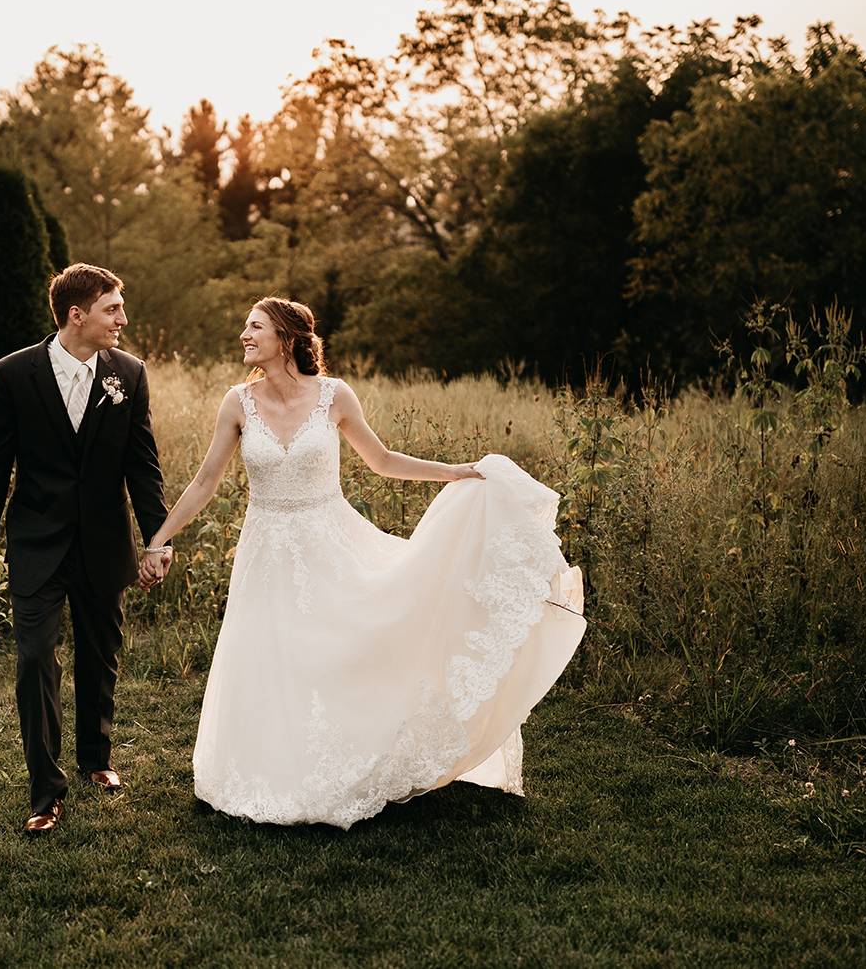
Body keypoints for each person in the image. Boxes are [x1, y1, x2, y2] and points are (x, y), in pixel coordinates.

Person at [140, 297, 585, 828]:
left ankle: (353, 756)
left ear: (284, 337)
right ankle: (271, 769)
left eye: (254, 327)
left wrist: (459, 472)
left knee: (343, 646)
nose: (243, 335)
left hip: (329, 539)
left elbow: (383, 461)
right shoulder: (237, 403)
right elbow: (205, 481)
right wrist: (159, 539)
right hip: (268, 550)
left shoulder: (334, 395)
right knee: (271, 656)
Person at [0, 263, 169, 836]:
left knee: (100, 653)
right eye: (113, 309)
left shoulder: (129, 373)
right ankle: (45, 790)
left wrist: (158, 539)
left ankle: (96, 758)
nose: (123, 319)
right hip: (36, 544)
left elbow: (142, 465)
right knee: (34, 659)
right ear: (77, 315)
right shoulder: (12, 375)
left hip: (104, 542)